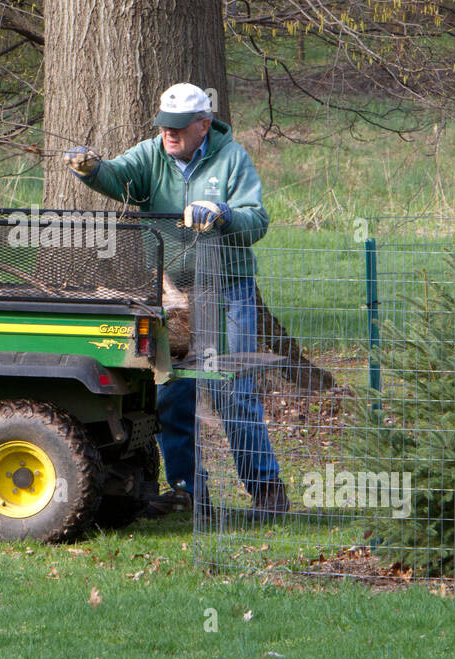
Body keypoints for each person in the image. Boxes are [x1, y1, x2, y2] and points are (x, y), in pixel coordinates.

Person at [62, 82, 289, 520]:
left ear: (204, 124)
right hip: (170, 293)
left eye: (179, 128)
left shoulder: (231, 158)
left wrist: (223, 214)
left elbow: (256, 220)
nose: (169, 134)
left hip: (225, 291)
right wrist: (90, 168)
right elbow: (117, 176)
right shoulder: (150, 155)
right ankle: (188, 491)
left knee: (233, 391)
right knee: (172, 394)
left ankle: (267, 491)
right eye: (165, 126)